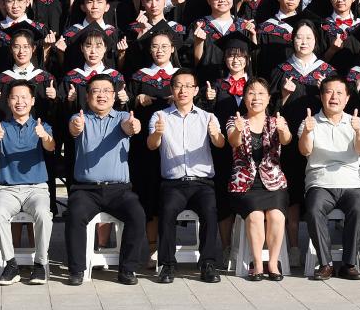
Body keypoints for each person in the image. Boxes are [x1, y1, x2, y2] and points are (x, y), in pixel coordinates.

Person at [63, 74, 148, 285]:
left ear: (114, 95)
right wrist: (76, 126)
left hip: (119, 190)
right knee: (74, 214)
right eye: (96, 91)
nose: (101, 95)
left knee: (137, 214)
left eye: (106, 91)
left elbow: (130, 127)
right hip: (85, 190)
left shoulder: (122, 117)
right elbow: (74, 128)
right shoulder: (80, 118)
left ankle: (127, 269)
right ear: (87, 96)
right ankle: (76, 270)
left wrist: (134, 126)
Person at [146, 69, 226, 284]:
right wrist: (158, 133)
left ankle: (208, 264)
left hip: (202, 183)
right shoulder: (160, 116)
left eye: (188, 86)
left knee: (210, 211)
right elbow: (151, 145)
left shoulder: (207, 117)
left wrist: (215, 134)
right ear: (172, 89)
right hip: (173, 184)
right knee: (167, 211)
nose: (183, 90)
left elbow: (220, 143)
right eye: (178, 86)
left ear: (196, 90)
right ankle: (167, 265)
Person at [299, 77, 360, 280]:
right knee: (314, 209)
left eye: (339, 93)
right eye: (329, 92)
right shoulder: (310, 122)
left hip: (351, 183)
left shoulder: (356, 122)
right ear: (321, 96)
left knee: (359, 208)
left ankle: (349, 264)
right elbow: (305, 150)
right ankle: (326, 264)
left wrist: (358, 132)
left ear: (347, 98)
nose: (334, 97)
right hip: (320, 182)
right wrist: (307, 132)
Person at [0, 80, 57, 286]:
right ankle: (11, 265)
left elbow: (51, 147)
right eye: (15, 97)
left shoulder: (41, 125)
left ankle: (40, 264)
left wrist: (44, 137)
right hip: (6, 189)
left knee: (44, 214)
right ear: (8, 101)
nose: (19, 102)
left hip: (36, 189)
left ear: (32, 101)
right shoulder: (0, 126)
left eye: (24, 97)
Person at [228, 78, 291, 280]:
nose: (256, 98)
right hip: (245, 184)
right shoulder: (235, 120)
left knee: (276, 216)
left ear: (269, 98)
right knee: (255, 216)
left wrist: (282, 129)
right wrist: (238, 129)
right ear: (244, 98)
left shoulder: (276, 121)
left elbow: (287, 140)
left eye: (261, 93)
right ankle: (257, 264)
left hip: (274, 182)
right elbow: (233, 141)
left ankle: (272, 263)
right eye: (251, 93)